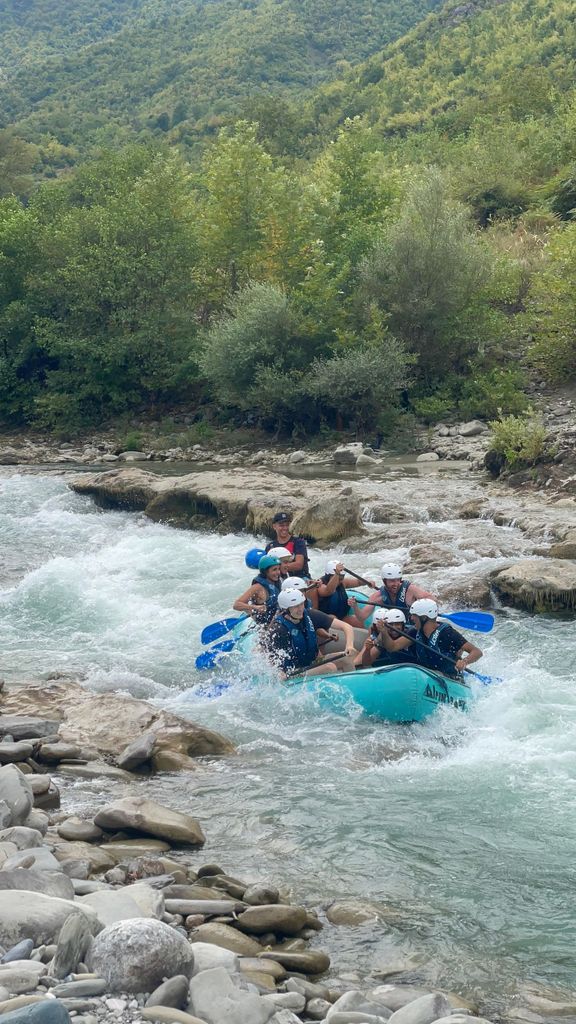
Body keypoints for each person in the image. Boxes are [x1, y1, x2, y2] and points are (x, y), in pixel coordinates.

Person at [375, 598, 482, 678]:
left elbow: (476, 652)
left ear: (424, 618)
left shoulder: (447, 633)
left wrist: (465, 661)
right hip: (428, 674)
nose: (411, 618)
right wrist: (384, 632)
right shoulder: (415, 631)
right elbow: (392, 647)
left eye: (414, 615)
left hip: (449, 677)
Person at [265, 589, 357, 678]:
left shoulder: (310, 615)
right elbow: (264, 652)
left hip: (312, 663)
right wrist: (278, 673)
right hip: (294, 672)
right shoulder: (279, 629)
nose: (300, 609)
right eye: (296, 606)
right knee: (329, 667)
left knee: (347, 658)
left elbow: (346, 627)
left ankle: (354, 689)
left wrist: (349, 645)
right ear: (286, 609)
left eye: (302, 604)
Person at [357, 563, 436, 621]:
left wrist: (418, 606)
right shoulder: (378, 597)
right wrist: (354, 605)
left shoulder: (410, 590)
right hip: (394, 630)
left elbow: (431, 599)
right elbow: (362, 617)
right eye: (392, 581)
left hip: (412, 627)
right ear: (384, 581)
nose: (396, 584)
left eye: (398, 580)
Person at [317, 559, 368, 628]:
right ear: (328, 576)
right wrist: (337, 574)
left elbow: (358, 582)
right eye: (338, 578)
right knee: (332, 617)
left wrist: (368, 582)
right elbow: (329, 591)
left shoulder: (342, 582)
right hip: (327, 618)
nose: (340, 581)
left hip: (342, 617)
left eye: (342, 578)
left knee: (357, 622)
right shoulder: (320, 585)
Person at [232, 555, 282, 625]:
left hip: (276, 620)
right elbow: (236, 605)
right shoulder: (257, 587)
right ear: (265, 572)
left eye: (278, 569)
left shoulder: (277, 582)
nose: (278, 572)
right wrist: (255, 607)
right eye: (274, 569)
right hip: (263, 624)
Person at [265, 512, 310, 577]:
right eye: (281, 525)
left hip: (301, 578)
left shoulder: (299, 542)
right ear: (274, 526)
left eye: (287, 525)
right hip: (279, 579)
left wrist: (278, 567)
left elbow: (299, 565)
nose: (285, 528)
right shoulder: (270, 547)